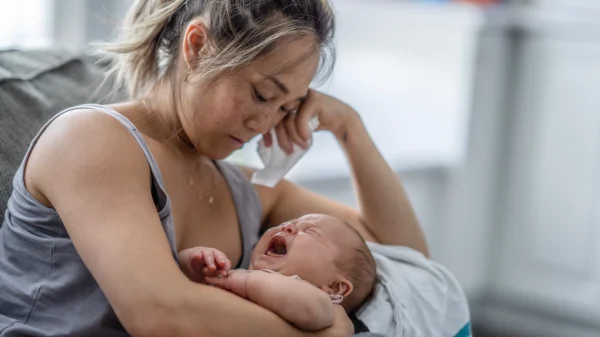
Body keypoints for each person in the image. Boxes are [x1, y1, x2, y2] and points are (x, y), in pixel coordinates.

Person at [0, 0, 428, 336]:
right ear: (198, 47)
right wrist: (327, 329)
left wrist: (349, 128)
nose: (266, 124)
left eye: (288, 107)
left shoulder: (239, 186)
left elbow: (407, 259)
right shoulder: (91, 139)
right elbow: (159, 315)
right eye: (262, 95)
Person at [178, 214, 377, 331]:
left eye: (310, 231)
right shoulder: (233, 274)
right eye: (291, 223)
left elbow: (309, 308)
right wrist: (193, 261)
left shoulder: (324, 306)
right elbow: (178, 281)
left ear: (335, 287)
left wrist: (244, 280)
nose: (287, 227)